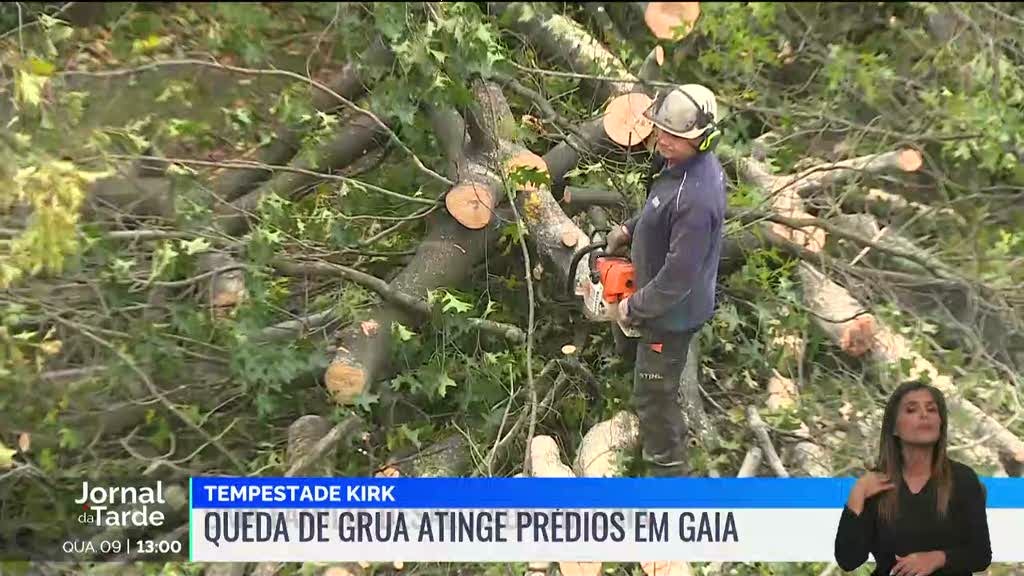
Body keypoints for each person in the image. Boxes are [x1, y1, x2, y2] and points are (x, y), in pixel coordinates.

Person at [604, 83, 727, 476]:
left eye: (674, 136)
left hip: (670, 315)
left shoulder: (697, 198)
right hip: (657, 295)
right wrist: (630, 229)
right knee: (646, 378)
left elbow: (676, 278)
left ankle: (670, 480)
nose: (662, 138)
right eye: (661, 130)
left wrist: (631, 307)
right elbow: (661, 209)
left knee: (655, 397)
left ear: (702, 139)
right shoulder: (681, 168)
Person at [834, 381, 992, 576]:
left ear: (940, 423)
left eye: (931, 409)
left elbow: (980, 555)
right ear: (894, 428)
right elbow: (849, 560)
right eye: (911, 410)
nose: (924, 414)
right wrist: (857, 496)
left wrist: (937, 558)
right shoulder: (875, 483)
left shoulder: (963, 479)